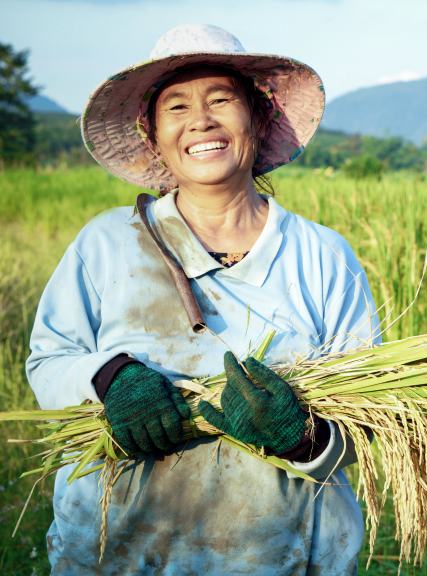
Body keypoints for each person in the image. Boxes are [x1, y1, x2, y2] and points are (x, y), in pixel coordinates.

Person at [26, 24, 380, 574]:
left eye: (221, 99)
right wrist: (110, 378)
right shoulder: (108, 243)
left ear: (257, 121)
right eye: (177, 106)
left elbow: (367, 418)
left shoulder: (321, 255)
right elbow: (48, 364)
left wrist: (299, 437)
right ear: (153, 133)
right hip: (119, 549)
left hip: (279, 553)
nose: (201, 120)